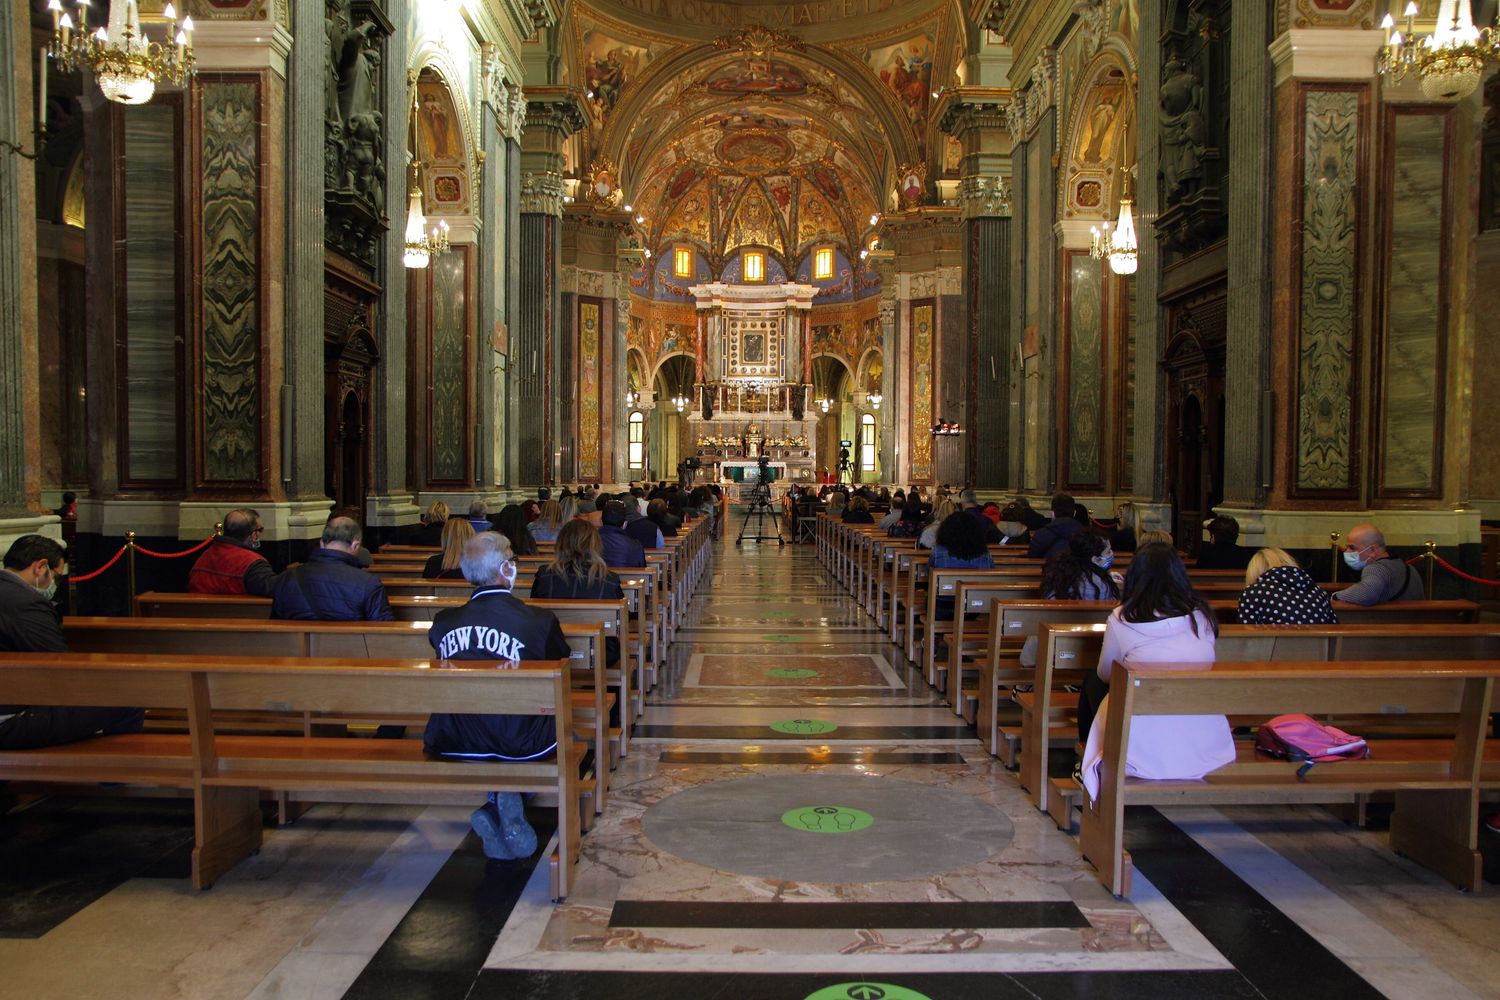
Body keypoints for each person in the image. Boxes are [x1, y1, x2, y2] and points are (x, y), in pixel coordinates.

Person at [423, 531, 571, 861]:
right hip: (522, 742)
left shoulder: (443, 623)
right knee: (554, 726)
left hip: (454, 737)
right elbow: (560, 664)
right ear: (506, 570)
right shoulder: (538, 620)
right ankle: (504, 800)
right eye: (513, 562)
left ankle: (495, 805)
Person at [1076, 543, 1235, 799]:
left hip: (1143, 732)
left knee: (1094, 681)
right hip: (1201, 726)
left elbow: (1107, 673)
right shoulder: (1201, 616)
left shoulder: (1123, 617)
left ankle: (1087, 757)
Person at [0, 535, 144, 749]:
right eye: (56, 577)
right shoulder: (26, 605)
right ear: (40, 567)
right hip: (9, 720)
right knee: (127, 696)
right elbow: (61, 666)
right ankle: (112, 773)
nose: (54, 585)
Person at [532, 520, 624, 666]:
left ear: (561, 543)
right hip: (602, 650)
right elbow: (622, 616)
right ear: (595, 544)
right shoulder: (609, 578)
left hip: (551, 648)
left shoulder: (544, 575)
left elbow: (535, 610)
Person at [271, 515, 394, 621]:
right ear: (356, 545)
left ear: (321, 543)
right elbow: (383, 632)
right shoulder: (369, 584)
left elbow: (275, 626)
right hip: (350, 648)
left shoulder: (286, 578)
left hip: (294, 648)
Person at [188, 508, 278, 597]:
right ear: (254, 535)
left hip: (197, 610)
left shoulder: (204, 556)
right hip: (240, 611)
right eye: (260, 530)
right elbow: (277, 591)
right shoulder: (253, 564)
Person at [1238, 548, 1338, 625]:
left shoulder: (1252, 592)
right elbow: (1334, 625)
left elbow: (1247, 634)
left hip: (1274, 650)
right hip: (1319, 650)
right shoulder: (1317, 590)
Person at [1334, 524, 1423, 606]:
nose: (1347, 552)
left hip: (1390, 622)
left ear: (1372, 550)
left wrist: (1335, 596)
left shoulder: (1376, 569)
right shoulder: (1410, 568)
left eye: (1352, 548)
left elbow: (1365, 595)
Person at [930, 509, 994, 620]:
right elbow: (990, 574)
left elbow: (929, 573)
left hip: (942, 607)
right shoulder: (984, 554)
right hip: (974, 607)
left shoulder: (938, 551)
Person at [1041, 530, 1121, 602]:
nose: (1112, 553)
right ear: (1095, 559)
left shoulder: (1058, 574)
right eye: (1108, 552)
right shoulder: (1102, 586)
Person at [1027, 493, 1082, 558]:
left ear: (1052, 513)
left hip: (1049, 567)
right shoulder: (1086, 534)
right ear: (1074, 513)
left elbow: (1032, 557)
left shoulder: (1041, 534)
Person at [598, 501, 646, 567]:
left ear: (600, 521)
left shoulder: (588, 543)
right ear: (625, 524)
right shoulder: (635, 546)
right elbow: (642, 573)